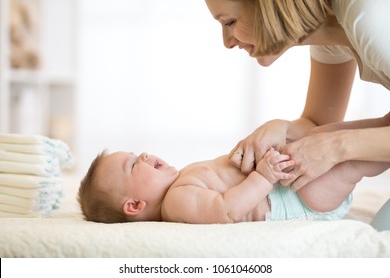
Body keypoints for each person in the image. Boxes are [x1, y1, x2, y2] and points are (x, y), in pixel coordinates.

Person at [204, 0, 390, 192]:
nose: (227, 42)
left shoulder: (370, 17)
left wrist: (335, 147)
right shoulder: (330, 36)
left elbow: (326, 140)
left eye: (230, 22)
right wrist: (281, 128)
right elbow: (319, 124)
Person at [78, 118, 389, 224]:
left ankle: (382, 125)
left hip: (289, 181)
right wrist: (264, 175)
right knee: (351, 160)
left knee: (326, 134)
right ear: (134, 205)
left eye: (136, 153)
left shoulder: (181, 182)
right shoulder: (176, 203)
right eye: (133, 164)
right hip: (297, 199)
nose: (143, 154)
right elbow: (226, 211)